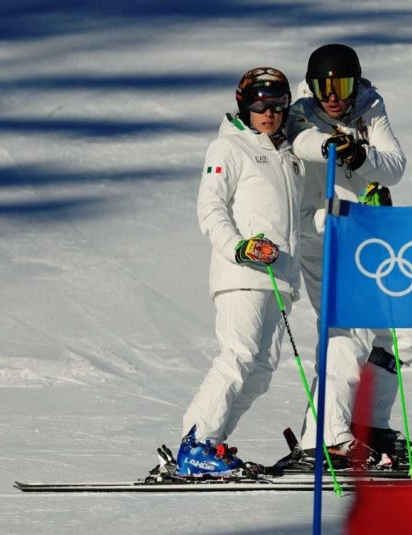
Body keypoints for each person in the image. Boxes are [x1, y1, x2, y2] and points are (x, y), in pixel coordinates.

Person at [286, 44, 412, 466]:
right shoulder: (301, 109)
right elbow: (301, 141)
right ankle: (324, 437)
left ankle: (369, 423)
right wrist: (334, 145)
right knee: (345, 332)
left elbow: (395, 166)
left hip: (367, 235)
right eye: (324, 87)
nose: (333, 96)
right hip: (322, 233)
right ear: (312, 87)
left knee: (406, 325)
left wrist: (362, 154)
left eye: (343, 85)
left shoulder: (370, 105)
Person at [173, 66, 303, 477]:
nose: (269, 113)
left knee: (261, 371)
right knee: (239, 356)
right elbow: (210, 208)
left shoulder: (288, 153)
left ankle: (211, 446)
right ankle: (195, 443)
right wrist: (239, 247)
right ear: (244, 105)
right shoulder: (228, 147)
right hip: (242, 272)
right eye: (259, 104)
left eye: (277, 104)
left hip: (280, 278)